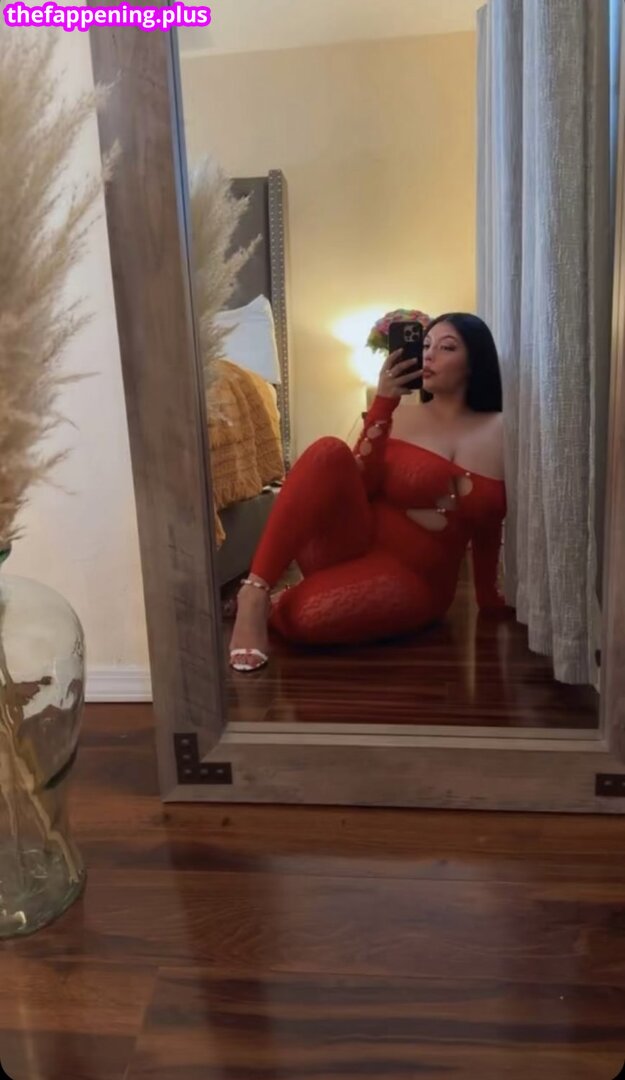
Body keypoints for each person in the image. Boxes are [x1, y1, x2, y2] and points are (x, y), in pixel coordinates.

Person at [229, 312, 509, 672]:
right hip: (351, 542)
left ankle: (281, 602)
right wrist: (383, 404)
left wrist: (488, 597)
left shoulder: (500, 430)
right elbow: (361, 485)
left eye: (447, 347)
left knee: (307, 615)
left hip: (417, 579)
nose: (428, 355)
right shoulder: (398, 416)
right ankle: (254, 592)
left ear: (475, 361)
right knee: (328, 450)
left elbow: (489, 521)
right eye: (425, 345)